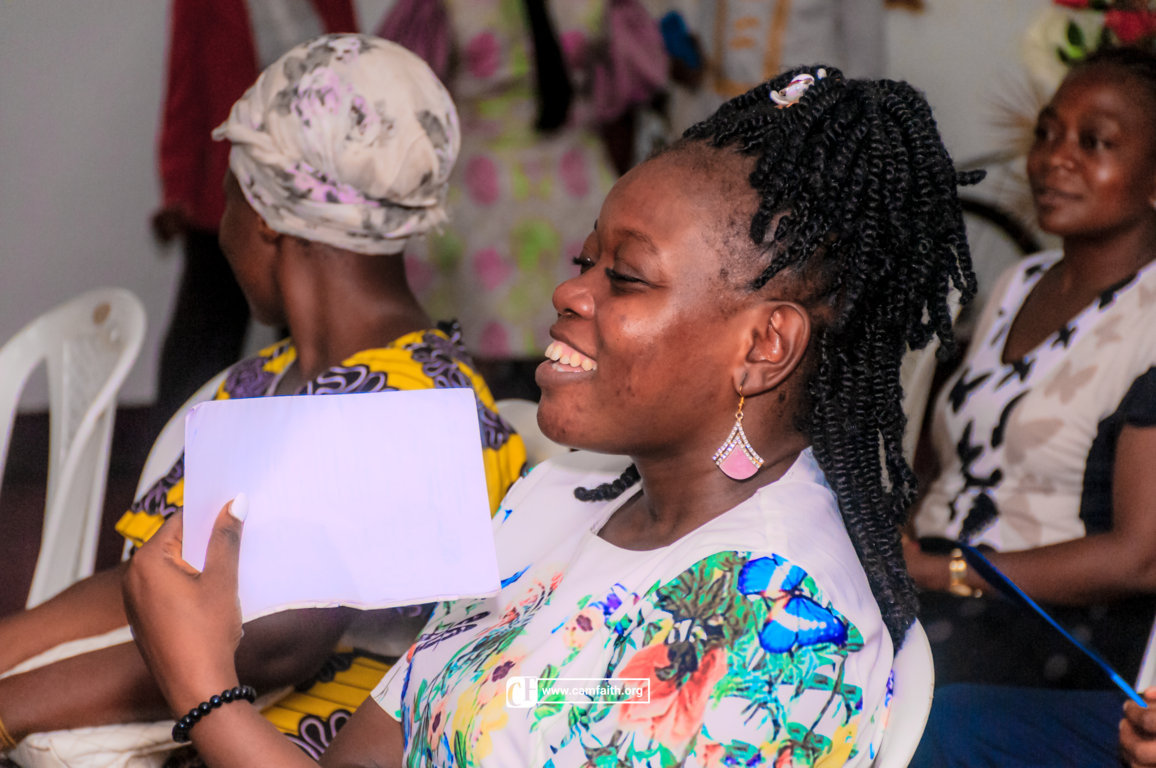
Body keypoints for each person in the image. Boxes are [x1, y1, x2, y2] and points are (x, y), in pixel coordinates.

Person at [115, 63, 979, 767]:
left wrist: (207, 694)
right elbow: (381, 753)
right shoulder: (563, 497)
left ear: (764, 345)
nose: (570, 292)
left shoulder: (770, 625)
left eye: (625, 277)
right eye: (583, 260)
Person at [0, 34, 525, 763]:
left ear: (264, 212)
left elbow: (272, 643)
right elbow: (159, 571)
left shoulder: (417, 404)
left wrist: (10, 707)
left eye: (226, 198)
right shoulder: (263, 380)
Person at [905, 45, 1156, 691]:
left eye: (1094, 142)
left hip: (1054, 626)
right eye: (1047, 133)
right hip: (935, 587)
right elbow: (954, 461)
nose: (1053, 158)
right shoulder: (1018, 284)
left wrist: (943, 572)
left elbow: (1140, 559)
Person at [377, 0, 669, 399]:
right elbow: (633, 83)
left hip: (484, 199)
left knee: (474, 372)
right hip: (569, 193)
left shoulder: (439, 6)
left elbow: (401, 93)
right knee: (578, 355)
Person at [150, 0, 357, 431]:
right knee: (203, 338)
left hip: (317, 186)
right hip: (233, 187)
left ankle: (313, 442)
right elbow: (185, 88)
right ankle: (171, 447)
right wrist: (178, 188)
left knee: (313, 337)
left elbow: (355, 75)